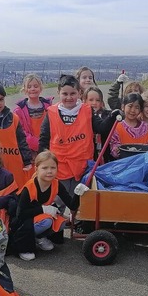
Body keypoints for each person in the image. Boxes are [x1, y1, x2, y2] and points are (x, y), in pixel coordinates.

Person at [39, 75, 113, 203]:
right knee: (58, 201)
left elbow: (101, 128)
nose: (69, 97)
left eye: (73, 93)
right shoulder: (51, 113)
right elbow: (44, 138)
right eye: (65, 94)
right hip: (59, 167)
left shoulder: (87, 110)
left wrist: (113, 116)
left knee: (81, 202)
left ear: (79, 93)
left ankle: (78, 222)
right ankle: (59, 222)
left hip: (82, 167)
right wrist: (43, 162)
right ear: (58, 93)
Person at [11, 151, 80, 261]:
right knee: (47, 221)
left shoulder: (56, 184)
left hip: (37, 216)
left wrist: (78, 193)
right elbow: (20, 215)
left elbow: (72, 205)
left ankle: (39, 237)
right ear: (36, 169)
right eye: (44, 168)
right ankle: (26, 245)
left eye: (53, 168)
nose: (49, 171)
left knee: (61, 223)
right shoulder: (29, 188)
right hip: (22, 221)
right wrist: (43, 209)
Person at [13, 74, 52, 157]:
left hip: (48, 149)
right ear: (25, 89)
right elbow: (21, 132)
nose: (32, 89)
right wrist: (37, 144)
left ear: (41, 88)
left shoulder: (50, 108)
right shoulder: (19, 111)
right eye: (29, 86)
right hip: (29, 152)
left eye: (35, 86)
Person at [109, 93, 148, 159]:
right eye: (130, 106)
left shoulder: (145, 127)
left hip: (143, 163)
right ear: (123, 107)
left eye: (137, 107)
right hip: (124, 164)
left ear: (140, 110)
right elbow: (114, 148)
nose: (133, 110)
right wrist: (116, 150)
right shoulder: (117, 126)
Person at [84, 86, 111, 161]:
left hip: (105, 153)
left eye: (98, 100)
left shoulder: (107, 115)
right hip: (90, 154)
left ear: (102, 103)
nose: (94, 103)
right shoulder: (82, 117)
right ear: (84, 101)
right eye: (91, 100)